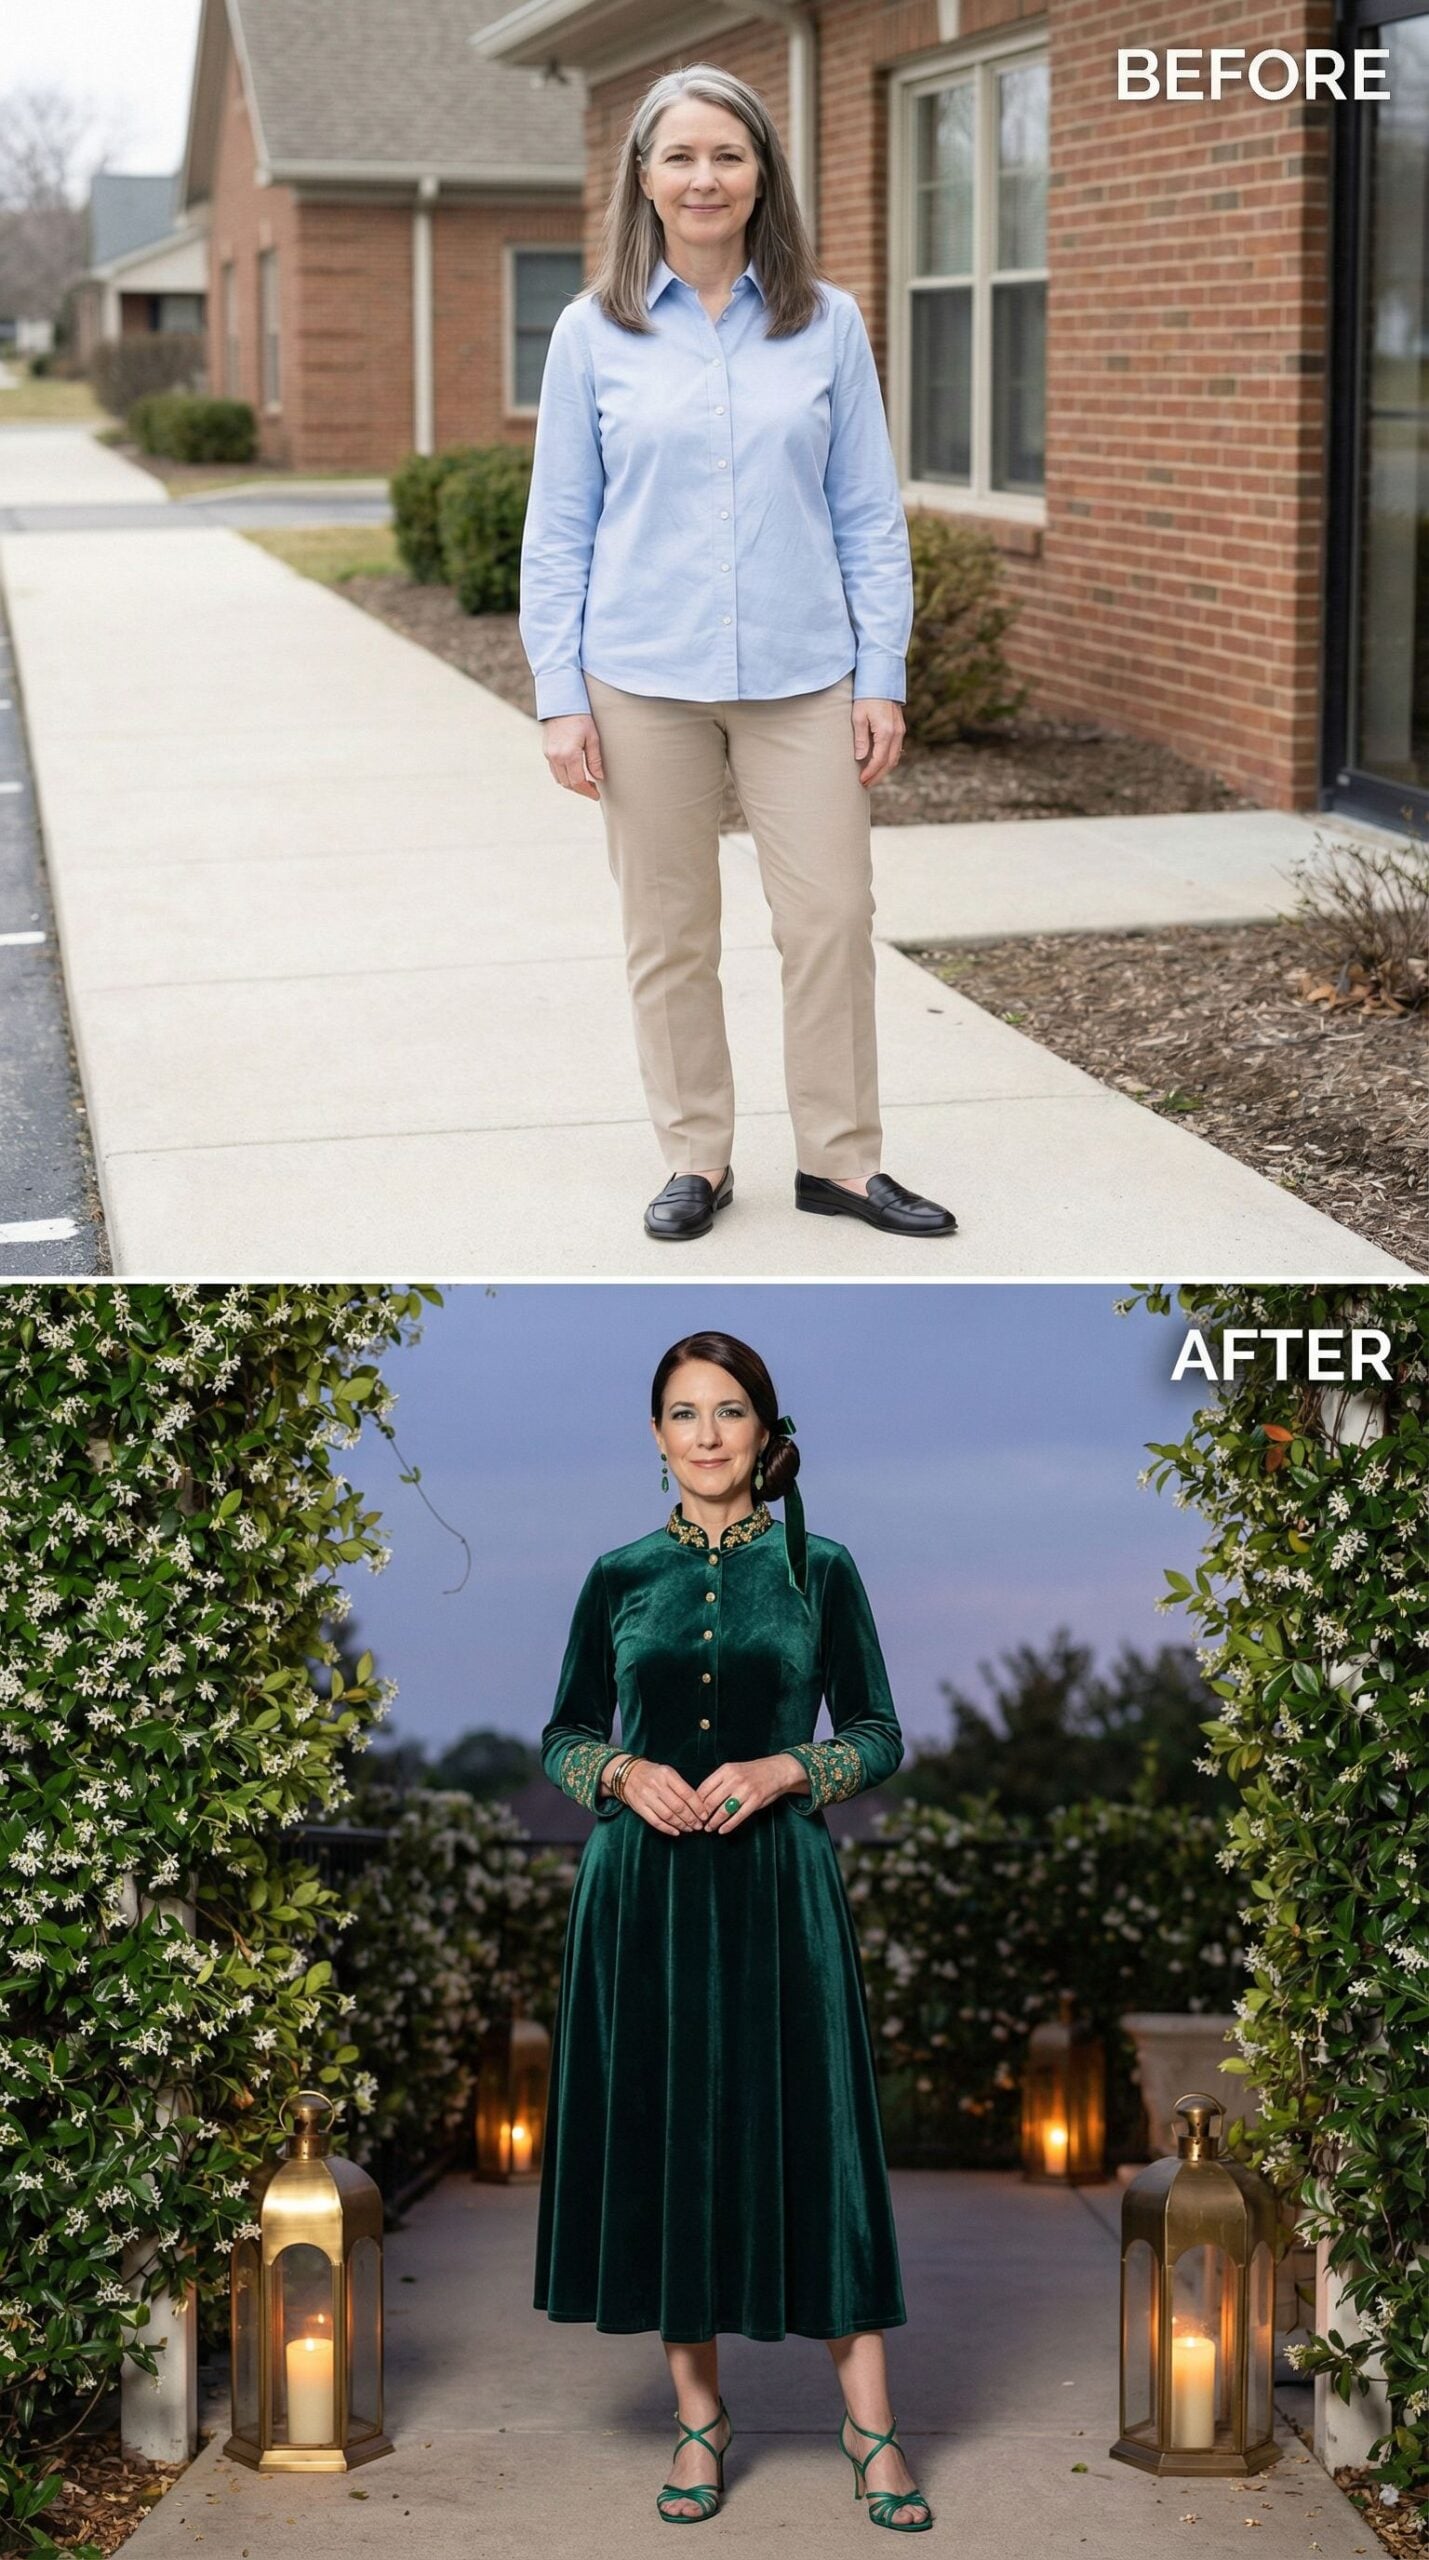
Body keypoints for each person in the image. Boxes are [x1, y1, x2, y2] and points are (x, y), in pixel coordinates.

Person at [518, 64, 957, 1246]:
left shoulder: (827, 320)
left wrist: (881, 676)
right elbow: (557, 530)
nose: (703, 177)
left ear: (761, 172)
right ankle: (696, 1159)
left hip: (803, 675)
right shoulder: (588, 331)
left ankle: (842, 1163)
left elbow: (869, 513)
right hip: (638, 675)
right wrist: (561, 698)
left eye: (727, 154)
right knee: (669, 933)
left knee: (829, 920)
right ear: (644, 180)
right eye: (680, 156)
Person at [532, 1331, 933, 2531]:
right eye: (682, 1413)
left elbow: (876, 1729)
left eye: (728, 1412)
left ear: (765, 1429)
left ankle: (872, 2431)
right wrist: (614, 1772)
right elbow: (559, 1731)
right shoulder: (616, 1574)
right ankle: (699, 2425)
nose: (706, 1435)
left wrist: (787, 1767)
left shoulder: (826, 1568)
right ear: (655, 1436)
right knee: (671, 2141)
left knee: (814, 2140)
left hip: (778, 1893)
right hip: (640, 1899)